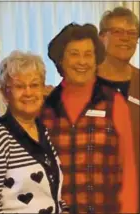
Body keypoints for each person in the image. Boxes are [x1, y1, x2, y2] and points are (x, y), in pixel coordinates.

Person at [40, 23, 137, 213]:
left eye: (88, 54)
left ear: (96, 59)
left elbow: (128, 171)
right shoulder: (46, 107)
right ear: (61, 60)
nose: (82, 62)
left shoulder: (113, 102)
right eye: (74, 54)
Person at [0, 50, 68, 213]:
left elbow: (53, 194)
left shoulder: (43, 130)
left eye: (34, 85)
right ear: (5, 93)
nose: (28, 93)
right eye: (19, 86)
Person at [98, 7, 139, 210]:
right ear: (101, 37)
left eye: (132, 33)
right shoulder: (84, 82)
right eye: (117, 32)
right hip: (92, 196)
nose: (126, 38)